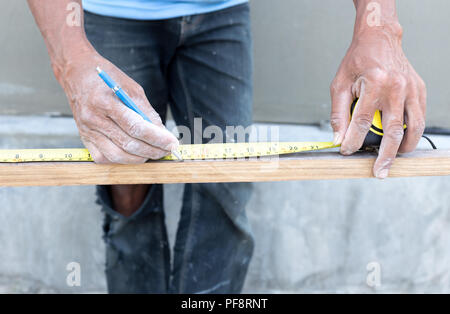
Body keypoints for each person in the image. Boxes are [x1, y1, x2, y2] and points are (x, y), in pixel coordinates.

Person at [27, 0, 426, 293]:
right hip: (112, 13)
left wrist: (380, 27)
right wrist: (70, 58)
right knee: (128, 187)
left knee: (226, 189)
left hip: (221, 12)